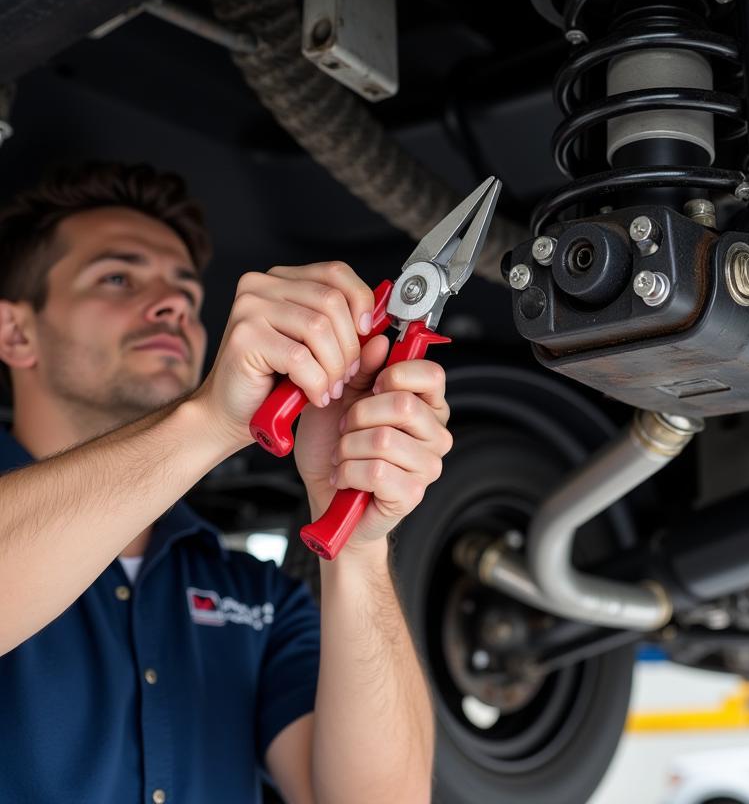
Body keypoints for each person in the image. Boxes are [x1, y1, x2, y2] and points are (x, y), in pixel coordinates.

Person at [0, 161, 452, 803]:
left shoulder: (259, 602)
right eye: (118, 276)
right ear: (16, 332)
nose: (176, 302)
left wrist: (358, 542)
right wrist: (211, 420)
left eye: (186, 288)